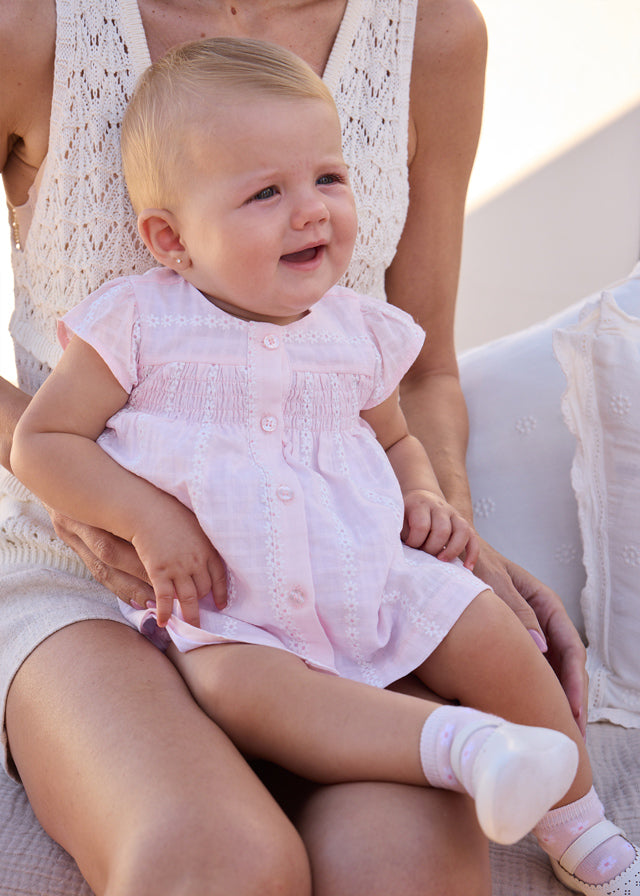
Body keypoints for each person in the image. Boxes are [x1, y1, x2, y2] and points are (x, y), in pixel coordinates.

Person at [12, 39, 640, 894]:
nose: (311, 212)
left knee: (490, 631)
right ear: (169, 239)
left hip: (364, 574)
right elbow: (45, 441)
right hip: (226, 609)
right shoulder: (139, 323)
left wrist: (426, 497)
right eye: (267, 193)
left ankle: (579, 819)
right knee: (244, 690)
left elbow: (396, 432)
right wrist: (146, 517)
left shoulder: (354, 328)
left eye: (329, 180)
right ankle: (462, 745)